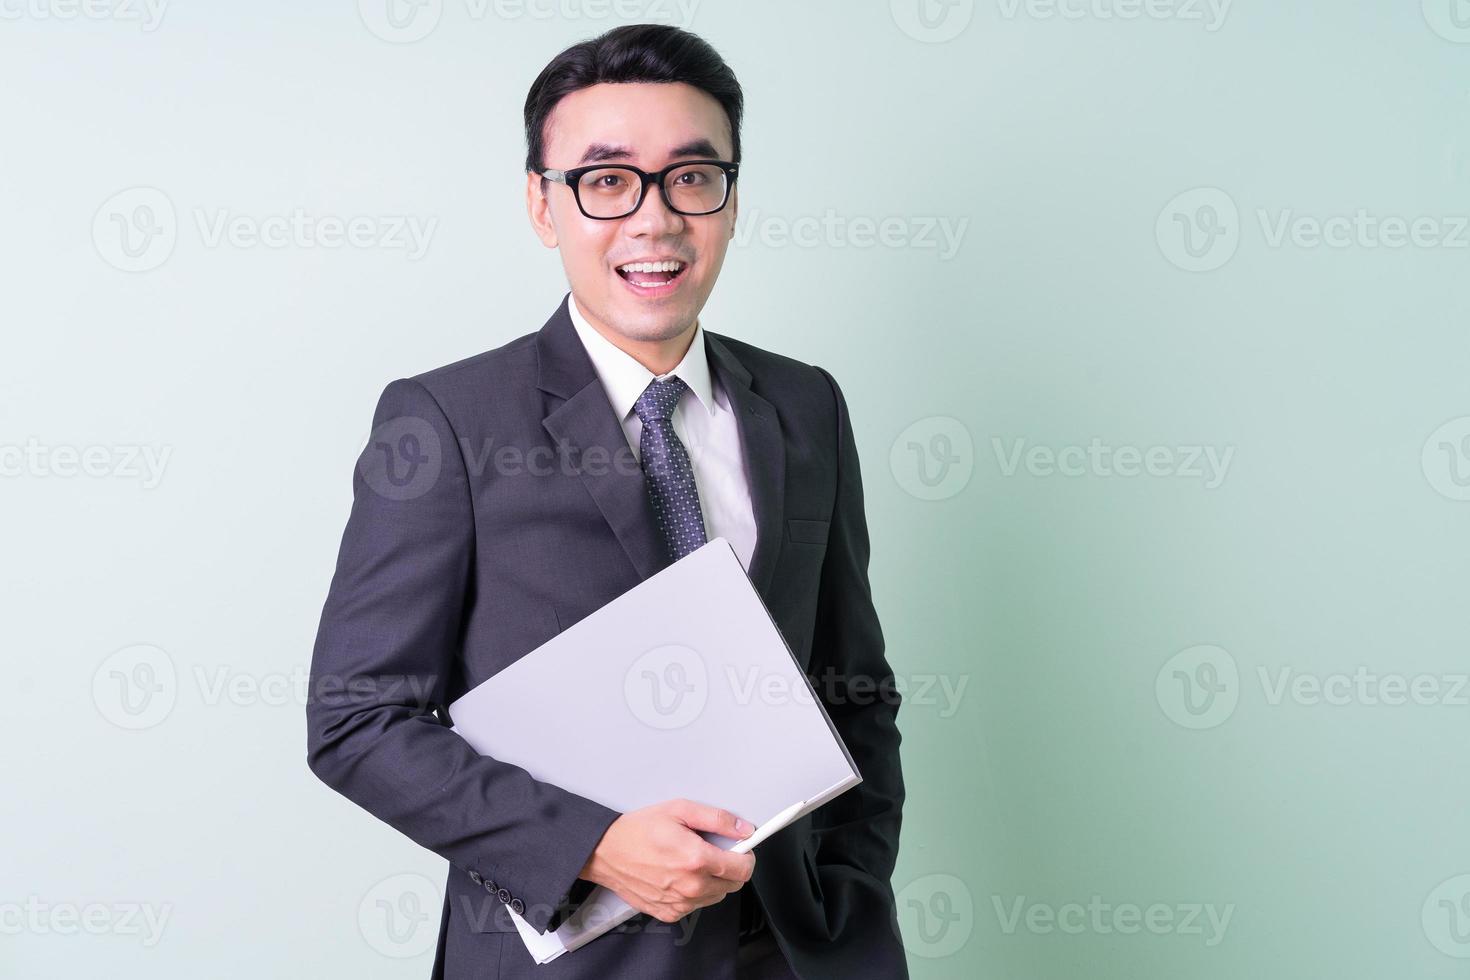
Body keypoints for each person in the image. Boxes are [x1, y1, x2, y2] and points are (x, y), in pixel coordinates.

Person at [306, 23, 907, 980]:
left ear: (732, 198)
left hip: (794, 952)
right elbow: (357, 719)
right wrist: (588, 847)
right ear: (544, 208)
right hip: (567, 957)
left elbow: (855, 685)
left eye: (692, 176)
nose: (655, 219)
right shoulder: (446, 421)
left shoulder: (805, 405)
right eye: (606, 180)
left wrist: (852, 888)